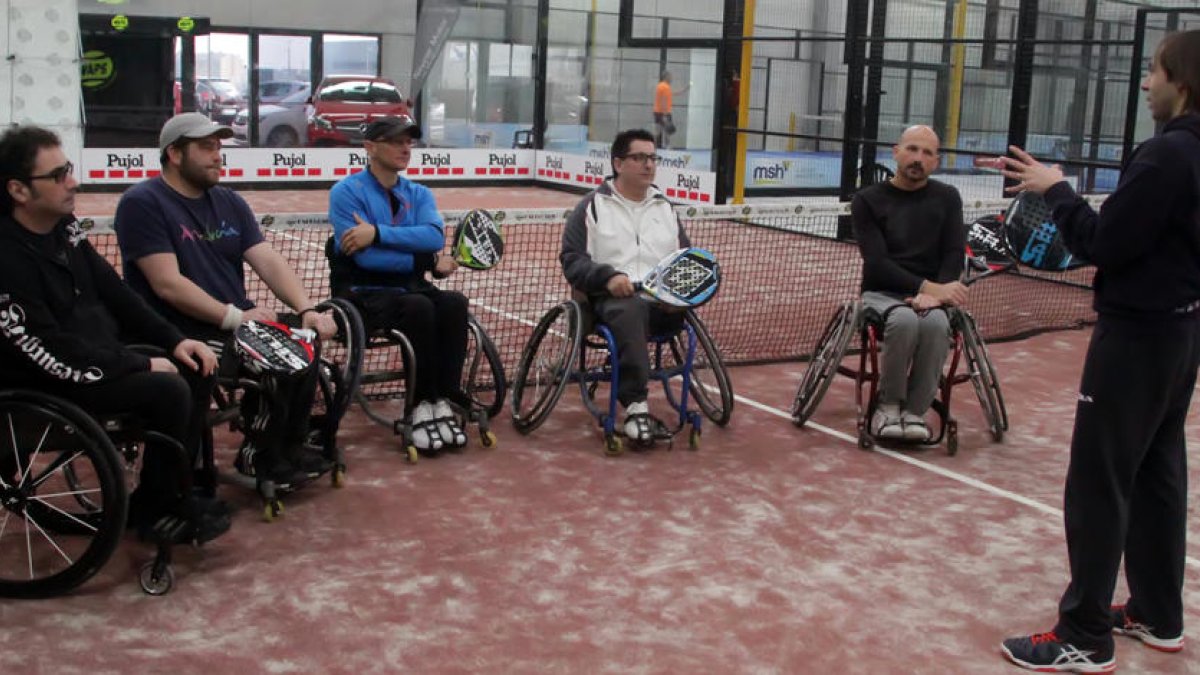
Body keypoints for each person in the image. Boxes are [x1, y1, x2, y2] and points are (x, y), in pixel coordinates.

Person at [999, 29, 1200, 673]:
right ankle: (1158, 614)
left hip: (1138, 339)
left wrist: (1054, 188)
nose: (1146, 84)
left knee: (1098, 480)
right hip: (1180, 333)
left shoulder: (1167, 156)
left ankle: (1084, 632)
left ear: (1182, 82)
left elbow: (1103, 242)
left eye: (1153, 72)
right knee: (1157, 471)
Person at [0, 125, 229, 543]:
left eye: (67, 169)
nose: (73, 181)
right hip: (44, 378)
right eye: (57, 176)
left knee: (194, 366)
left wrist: (174, 339)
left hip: (92, 356)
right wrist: (139, 362)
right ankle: (158, 508)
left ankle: (166, 495)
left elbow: (115, 292)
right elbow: (47, 348)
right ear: (17, 190)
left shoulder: (63, 228)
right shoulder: (7, 257)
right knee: (168, 390)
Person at [113, 112, 338, 490]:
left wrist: (306, 309)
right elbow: (167, 284)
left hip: (234, 320)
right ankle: (259, 457)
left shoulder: (229, 202)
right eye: (206, 148)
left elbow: (266, 259)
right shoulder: (142, 203)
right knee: (278, 354)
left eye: (219, 147)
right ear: (174, 153)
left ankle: (287, 446)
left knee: (305, 342)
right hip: (176, 329)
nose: (218, 156)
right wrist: (237, 318)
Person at [327, 115, 470, 455]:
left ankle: (442, 398)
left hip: (410, 287)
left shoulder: (418, 194)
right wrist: (425, 259)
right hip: (364, 293)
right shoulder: (346, 192)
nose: (405, 148)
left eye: (409, 142)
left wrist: (376, 234)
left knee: (454, 303)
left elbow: (433, 236)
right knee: (419, 307)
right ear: (370, 147)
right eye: (395, 141)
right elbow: (367, 260)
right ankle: (418, 406)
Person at [561, 128, 689, 443]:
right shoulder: (591, 207)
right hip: (609, 303)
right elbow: (572, 260)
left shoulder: (666, 208)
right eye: (639, 157)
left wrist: (681, 297)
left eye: (652, 158)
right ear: (618, 163)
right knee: (629, 310)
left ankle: (634, 389)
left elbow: (685, 263)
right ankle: (636, 406)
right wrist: (607, 277)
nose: (648, 164)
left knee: (668, 306)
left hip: (661, 305)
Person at [851, 125, 967, 442]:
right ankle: (887, 407)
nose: (918, 158)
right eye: (913, 149)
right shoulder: (867, 200)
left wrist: (938, 297)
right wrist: (928, 289)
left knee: (935, 324)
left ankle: (915, 412)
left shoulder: (948, 198)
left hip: (933, 294)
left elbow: (954, 252)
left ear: (936, 161)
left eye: (927, 153)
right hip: (881, 292)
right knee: (903, 319)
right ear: (896, 152)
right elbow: (877, 263)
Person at [653, 71, 689, 150]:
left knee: (658, 130)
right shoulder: (665, 87)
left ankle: (654, 146)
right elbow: (663, 100)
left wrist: (684, 90)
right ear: (666, 77)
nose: (671, 78)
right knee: (667, 130)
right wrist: (665, 114)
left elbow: (672, 94)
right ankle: (667, 146)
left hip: (658, 112)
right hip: (664, 112)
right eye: (670, 77)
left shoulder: (662, 86)